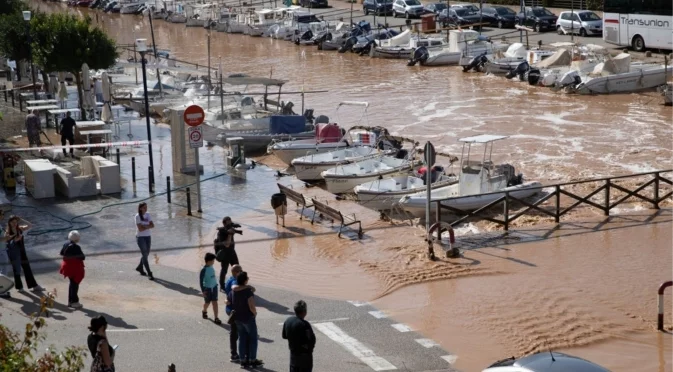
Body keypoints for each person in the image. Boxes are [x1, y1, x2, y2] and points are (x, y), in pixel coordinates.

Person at [232, 271, 262, 368]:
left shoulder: (234, 291)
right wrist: (254, 313)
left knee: (241, 338)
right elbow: (251, 305)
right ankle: (252, 360)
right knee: (253, 339)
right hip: (248, 318)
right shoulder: (248, 292)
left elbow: (229, 301)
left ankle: (242, 360)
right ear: (245, 280)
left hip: (237, 318)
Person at [4, 215, 43, 293]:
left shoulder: (20, 229)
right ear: (9, 223)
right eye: (12, 222)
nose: (14, 224)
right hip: (14, 253)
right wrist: (14, 240)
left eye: (16, 222)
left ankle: (34, 286)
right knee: (17, 270)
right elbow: (7, 246)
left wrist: (21, 219)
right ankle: (19, 287)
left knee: (27, 268)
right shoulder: (7, 233)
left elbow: (30, 225)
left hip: (22, 251)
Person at [282, 300, 316, 372]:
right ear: (304, 312)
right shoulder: (305, 325)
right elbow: (311, 341)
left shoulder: (288, 320)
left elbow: (284, 336)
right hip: (304, 358)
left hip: (293, 356)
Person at [59, 230, 85, 309]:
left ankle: (70, 301)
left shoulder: (66, 244)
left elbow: (61, 253)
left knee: (72, 284)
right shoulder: (76, 247)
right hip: (74, 268)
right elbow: (82, 257)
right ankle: (74, 302)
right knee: (75, 285)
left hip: (67, 267)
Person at [215, 216, 240, 290]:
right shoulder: (221, 233)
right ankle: (222, 286)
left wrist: (234, 230)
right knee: (224, 270)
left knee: (237, 268)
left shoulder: (229, 229)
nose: (230, 224)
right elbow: (227, 244)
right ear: (224, 224)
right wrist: (229, 234)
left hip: (232, 252)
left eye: (231, 222)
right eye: (228, 223)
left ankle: (238, 282)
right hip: (225, 253)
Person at [224, 264, 243, 363]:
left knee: (234, 332)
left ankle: (234, 353)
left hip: (229, 308)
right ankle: (234, 354)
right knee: (235, 333)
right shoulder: (234, 281)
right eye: (240, 270)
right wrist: (248, 287)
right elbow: (235, 288)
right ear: (236, 272)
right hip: (233, 310)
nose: (242, 272)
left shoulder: (229, 279)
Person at [200, 252, 221, 324]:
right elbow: (201, 280)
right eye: (213, 261)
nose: (214, 262)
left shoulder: (211, 267)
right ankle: (204, 310)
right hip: (207, 289)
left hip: (214, 287)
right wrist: (203, 291)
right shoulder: (203, 270)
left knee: (215, 302)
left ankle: (216, 317)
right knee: (207, 303)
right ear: (209, 261)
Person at [135, 202, 154, 280]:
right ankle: (149, 273)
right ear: (140, 208)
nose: (146, 209)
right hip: (140, 237)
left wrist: (145, 226)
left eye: (146, 207)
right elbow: (140, 229)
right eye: (144, 207)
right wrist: (147, 226)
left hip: (148, 236)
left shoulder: (148, 214)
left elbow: (153, 225)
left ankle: (140, 267)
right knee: (145, 254)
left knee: (146, 254)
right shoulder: (137, 216)